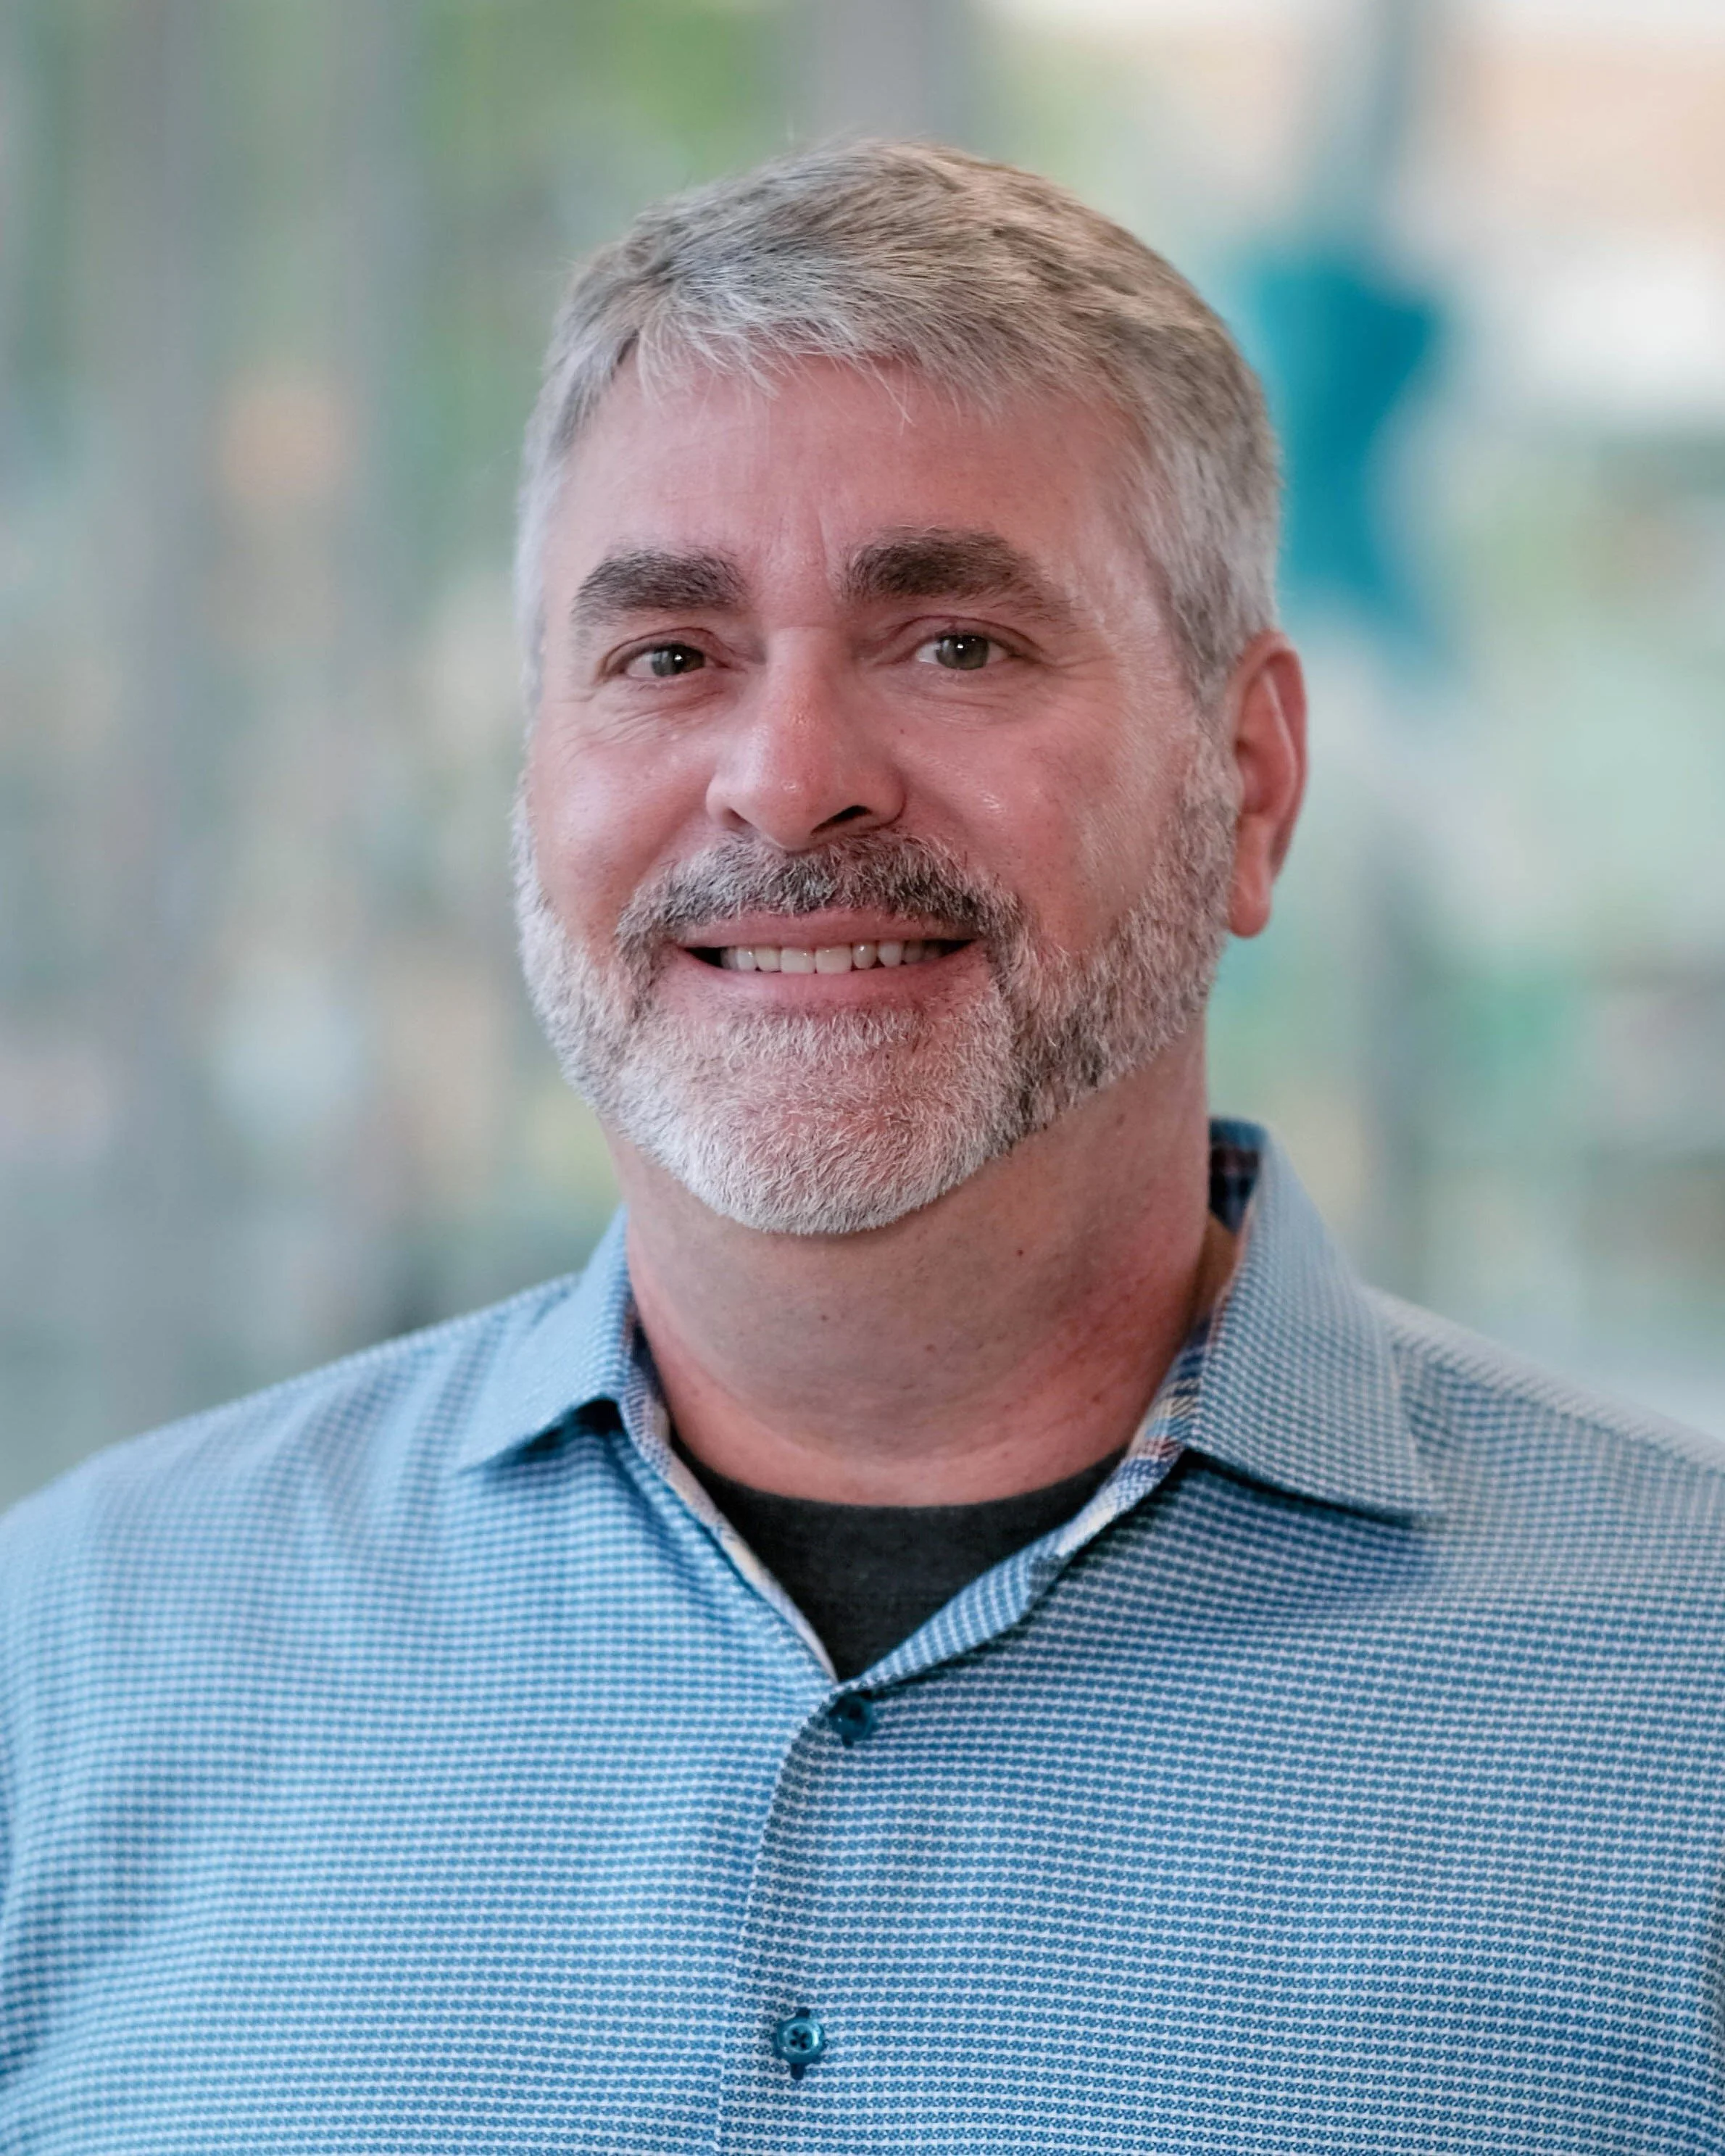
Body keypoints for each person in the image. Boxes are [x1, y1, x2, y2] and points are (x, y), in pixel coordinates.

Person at [3, 141, 1724, 2155]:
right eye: (666, 653)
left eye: (955, 642)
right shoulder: (74, 1663)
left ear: (1245, 785)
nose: (790, 778)